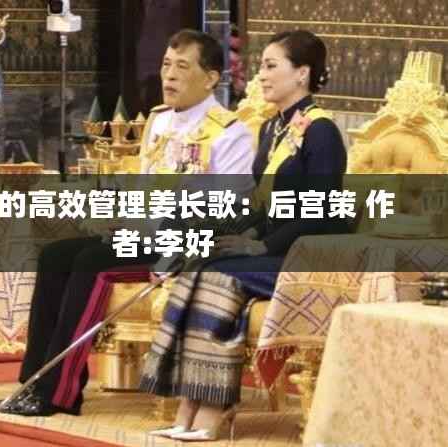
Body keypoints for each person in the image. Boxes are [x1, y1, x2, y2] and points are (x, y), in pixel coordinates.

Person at [0, 29, 255, 417]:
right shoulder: (159, 121)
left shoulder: (230, 133)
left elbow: (227, 207)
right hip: (144, 234)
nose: (170, 75)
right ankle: (30, 384)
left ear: (211, 77)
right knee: (55, 255)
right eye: (166, 65)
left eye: (182, 67)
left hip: (185, 243)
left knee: (91, 263)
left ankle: (57, 393)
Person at [141, 29, 348, 441]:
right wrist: (237, 236)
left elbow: (322, 210)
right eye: (261, 67)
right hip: (270, 248)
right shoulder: (272, 129)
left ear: (302, 73)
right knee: (201, 264)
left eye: (271, 66)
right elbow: (260, 207)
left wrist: (260, 245)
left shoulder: (322, 131)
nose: (261, 76)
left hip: (306, 254)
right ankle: (187, 405)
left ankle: (213, 407)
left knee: (218, 277)